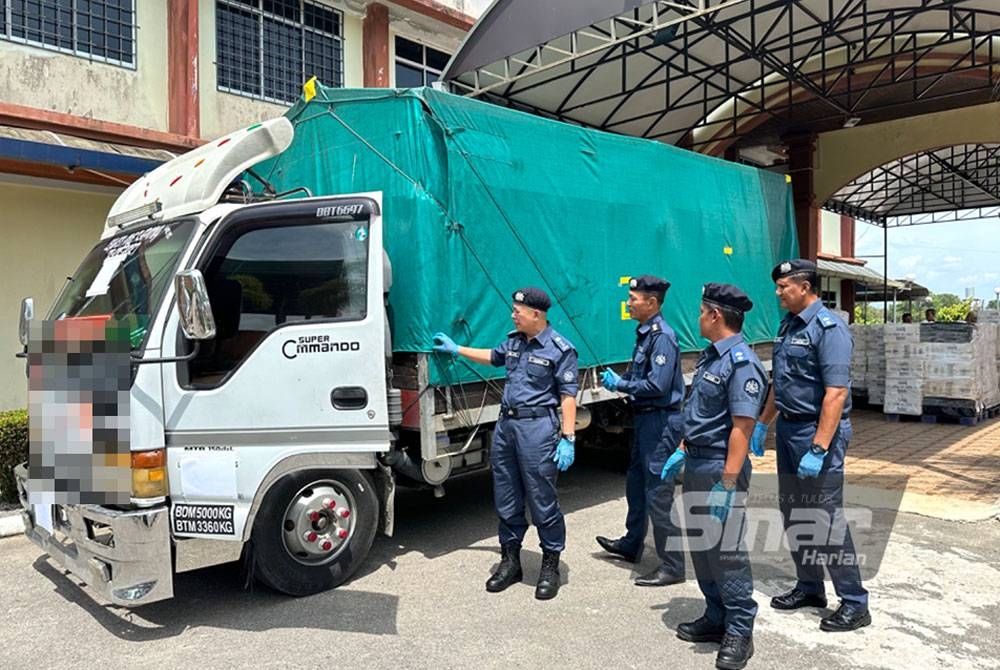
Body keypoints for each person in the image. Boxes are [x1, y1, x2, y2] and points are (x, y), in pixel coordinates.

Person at [433, 287, 578, 600]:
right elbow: (493, 356)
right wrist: (457, 349)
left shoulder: (560, 349)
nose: (513, 315)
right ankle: (511, 562)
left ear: (536, 314)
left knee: (542, 499)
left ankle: (550, 565)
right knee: (506, 496)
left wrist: (568, 438)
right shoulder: (514, 341)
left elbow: (568, 397)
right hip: (507, 427)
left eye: (518, 311)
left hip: (538, 429)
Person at [750, 259, 871, 633]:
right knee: (794, 513)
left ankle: (855, 602)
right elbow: (780, 382)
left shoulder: (829, 329)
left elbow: (835, 393)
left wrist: (818, 448)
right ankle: (809, 587)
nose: (778, 292)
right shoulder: (788, 325)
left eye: (783, 286)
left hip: (817, 433)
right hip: (789, 429)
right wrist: (762, 423)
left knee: (825, 517)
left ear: (804, 287)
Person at [659, 283, 766, 670]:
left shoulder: (741, 363)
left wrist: (728, 482)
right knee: (704, 548)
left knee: (726, 551)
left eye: (702, 312)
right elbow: (702, 415)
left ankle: (740, 630)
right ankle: (716, 615)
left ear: (716, 315)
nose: (699, 318)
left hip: (722, 467)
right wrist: (682, 448)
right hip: (698, 461)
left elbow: (741, 427)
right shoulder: (711, 358)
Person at [596, 275, 686, 586]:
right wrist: (622, 379)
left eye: (633, 299)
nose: (628, 303)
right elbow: (641, 374)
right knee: (636, 484)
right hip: (645, 420)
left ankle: (673, 565)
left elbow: (658, 385)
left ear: (651, 302)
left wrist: (621, 384)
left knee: (658, 493)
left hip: (660, 422)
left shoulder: (662, 337)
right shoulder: (645, 334)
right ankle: (632, 543)